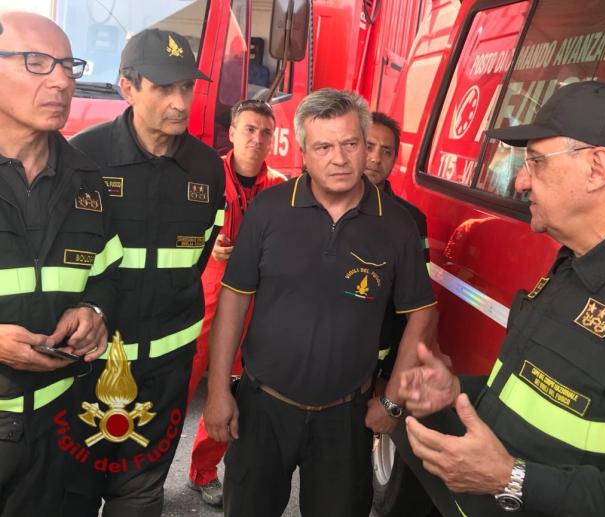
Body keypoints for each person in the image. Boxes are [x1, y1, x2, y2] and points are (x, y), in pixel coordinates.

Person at [396, 80, 605, 516]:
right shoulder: (573, 261)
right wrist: (456, 392)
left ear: (597, 168)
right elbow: (540, 397)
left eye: (537, 162)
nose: (521, 181)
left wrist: (510, 479)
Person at [203, 88, 437, 517]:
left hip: (344, 419)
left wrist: (391, 401)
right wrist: (218, 391)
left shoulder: (397, 225)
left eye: (350, 144)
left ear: (365, 144)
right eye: (324, 147)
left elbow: (422, 315)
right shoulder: (269, 210)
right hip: (263, 409)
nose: (340, 159)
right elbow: (233, 301)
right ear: (304, 153)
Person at [62, 28, 224, 517]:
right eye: (164, 87)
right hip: (86, 371)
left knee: (140, 496)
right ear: (127, 88)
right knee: (72, 492)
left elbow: (197, 258)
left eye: (187, 87)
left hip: (165, 375)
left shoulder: (207, 169)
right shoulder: (82, 157)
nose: (180, 102)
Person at [0, 11, 122, 516]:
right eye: (37, 62)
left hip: (56, 428)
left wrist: (95, 311)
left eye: (69, 66)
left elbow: (107, 273)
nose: (62, 81)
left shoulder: (88, 179)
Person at [186, 98, 286, 506]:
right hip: (203, 298)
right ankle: (144, 471)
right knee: (176, 387)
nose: (257, 139)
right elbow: (176, 231)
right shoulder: (204, 175)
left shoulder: (280, 187)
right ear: (231, 132)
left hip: (250, 306)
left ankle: (203, 471)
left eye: (266, 132)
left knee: (228, 391)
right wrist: (207, 247)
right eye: (249, 129)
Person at [363, 111, 429, 388]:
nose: (376, 158)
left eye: (386, 151)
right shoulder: (328, 208)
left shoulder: (411, 221)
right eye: (369, 146)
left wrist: (390, 376)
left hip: (373, 367)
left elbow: (416, 307)